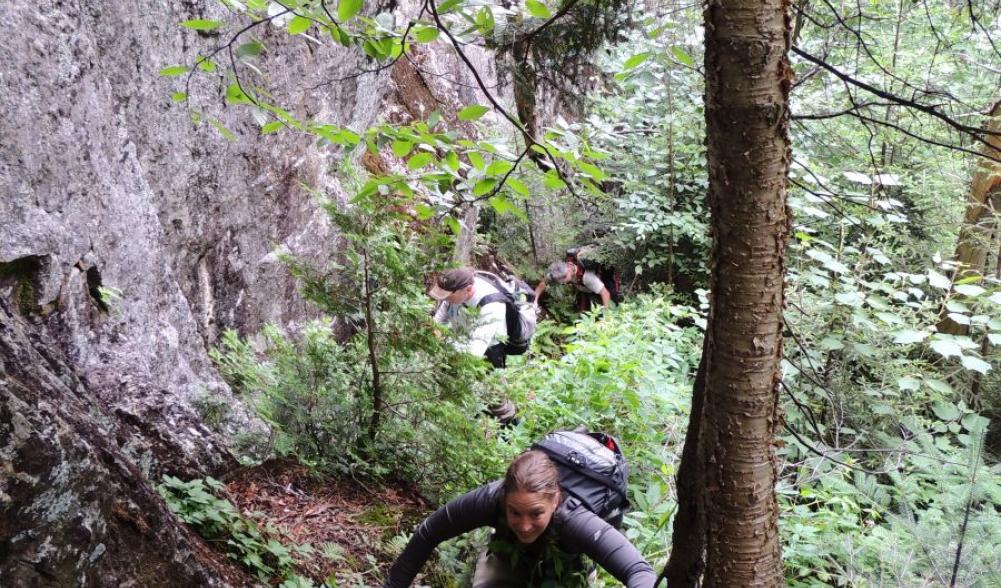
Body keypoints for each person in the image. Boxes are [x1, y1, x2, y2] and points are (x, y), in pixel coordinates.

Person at [383, 450, 656, 588]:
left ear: (556, 501)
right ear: (503, 500)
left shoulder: (576, 519)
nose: (524, 526)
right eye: (515, 512)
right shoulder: (489, 500)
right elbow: (428, 532)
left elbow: (639, 571)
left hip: (570, 562)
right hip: (508, 551)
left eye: (536, 513)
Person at [429, 267, 510, 368]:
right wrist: (435, 326)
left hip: (488, 351)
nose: (446, 299)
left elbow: (475, 351)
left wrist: (444, 342)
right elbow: (445, 307)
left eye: (449, 296)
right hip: (460, 337)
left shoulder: (492, 306)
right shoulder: (457, 289)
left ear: (469, 290)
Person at [534, 249, 621, 311]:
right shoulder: (558, 273)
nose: (561, 282)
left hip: (597, 285)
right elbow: (543, 283)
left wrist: (605, 316)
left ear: (569, 269)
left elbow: (605, 293)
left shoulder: (588, 278)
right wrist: (535, 301)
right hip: (582, 287)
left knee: (598, 308)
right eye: (559, 280)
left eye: (563, 279)